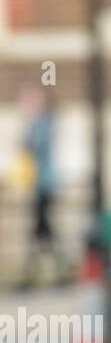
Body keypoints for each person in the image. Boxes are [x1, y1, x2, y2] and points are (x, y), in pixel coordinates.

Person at [16, 85, 65, 291]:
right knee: (42, 230)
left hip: (44, 184)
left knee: (42, 230)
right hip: (40, 184)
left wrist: (29, 121)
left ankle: (37, 273)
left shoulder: (43, 123)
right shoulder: (41, 123)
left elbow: (29, 145)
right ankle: (50, 271)